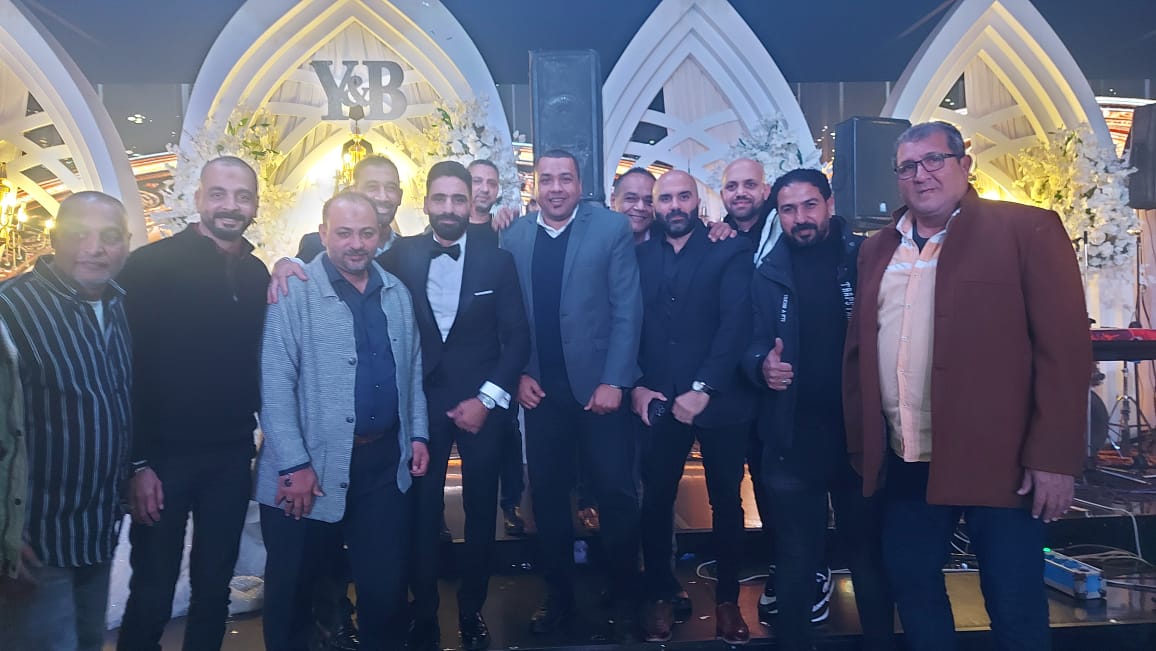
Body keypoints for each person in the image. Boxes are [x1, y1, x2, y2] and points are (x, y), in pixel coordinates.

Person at [844, 121, 1090, 651]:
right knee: (911, 582)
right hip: (909, 456)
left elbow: (1065, 352)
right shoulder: (877, 249)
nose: (921, 174)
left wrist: (1054, 458)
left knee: (1013, 598)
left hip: (1002, 460)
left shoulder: (1025, 230)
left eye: (934, 160)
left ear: (965, 163)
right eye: (908, 166)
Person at [256, 191, 430, 651]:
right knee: (294, 593)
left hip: (382, 465)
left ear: (381, 236)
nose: (356, 244)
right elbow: (274, 382)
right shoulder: (294, 290)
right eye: (344, 233)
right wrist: (293, 463)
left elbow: (411, 370)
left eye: (367, 233)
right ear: (323, 234)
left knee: (385, 590)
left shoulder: (396, 292)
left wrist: (417, 433)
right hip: (306, 471)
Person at [116, 157, 270, 651]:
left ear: (255, 205)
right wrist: (137, 462)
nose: (230, 206)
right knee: (153, 589)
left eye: (242, 196)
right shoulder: (149, 266)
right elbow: (126, 370)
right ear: (199, 198)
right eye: (219, 194)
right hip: (162, 459)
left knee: (214, 587)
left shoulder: (256, 273)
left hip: (230, 453)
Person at [380, 161, 530, 651]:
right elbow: (346, 260)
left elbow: (516, 339)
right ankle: (424, 612)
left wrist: (487, 400)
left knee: (481, 512)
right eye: (440, 198)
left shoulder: (498, 261)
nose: (448, 208)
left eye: (458, 199)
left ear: (471, 204)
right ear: (425, 202)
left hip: (481, 405)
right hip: (421, 406)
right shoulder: (400, 255)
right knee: (422, 514)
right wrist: (292, 264)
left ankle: (472, 609)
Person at [745, 168, 894, 651]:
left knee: (867, 556)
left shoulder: (866, 259)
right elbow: (748, 342)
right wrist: (761, 365)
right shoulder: (766, 271)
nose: (800, 218)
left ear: (830, 204)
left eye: (809, 205)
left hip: (859, 435)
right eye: (788, 210)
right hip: (793, 439)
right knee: (795, 559)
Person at [500, 149, 643, 641]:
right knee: (547, 498)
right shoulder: (515, 236)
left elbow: (627, 309)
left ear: (581, 185)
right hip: (541, 394)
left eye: (565, 178)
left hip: (599, 392)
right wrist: (518, 374)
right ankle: (558, 596)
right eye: (547, 179)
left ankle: (625, 596)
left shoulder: (611, 229)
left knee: (616, 494)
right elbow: (509, 317)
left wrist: (615, 380)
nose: (556, 187)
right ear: (534, 185)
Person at [0, 192, 133, 651]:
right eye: (79, 235)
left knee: (88, 642)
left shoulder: (118, 305)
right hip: (35, 540)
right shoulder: (11, 310)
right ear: (55, 238)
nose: (94, 248)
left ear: (127, 244)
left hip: (96, 529)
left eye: (109, 237)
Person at [633, 171, 755, 644]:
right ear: (655, 206)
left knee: (726, 502)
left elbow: (735, 324)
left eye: (684, 196)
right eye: (666, 198)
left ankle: (727, 601)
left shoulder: (729, 249)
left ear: (699, 202)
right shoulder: (640, 256)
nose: (675, 205)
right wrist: (637, 386)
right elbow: (630, 325)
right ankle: (659, 595)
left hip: (721, 400)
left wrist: (704, 387)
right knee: (656, 501)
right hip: (660, 401)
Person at [466, 158, 528, 537]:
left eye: (491, 182)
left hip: (501, 354)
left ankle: (511, 504)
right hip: (459, 356)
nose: (484, 188)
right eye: (477, 181)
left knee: (507, 432)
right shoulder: (444, 231)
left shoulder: (506, 231)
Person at [293, 155, 404, 263]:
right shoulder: (316, 245)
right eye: (372, 187)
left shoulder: (409, 251)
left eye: (391, 188)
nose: (383, 197)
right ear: (353, 192)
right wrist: (287, 263)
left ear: (400, 196)